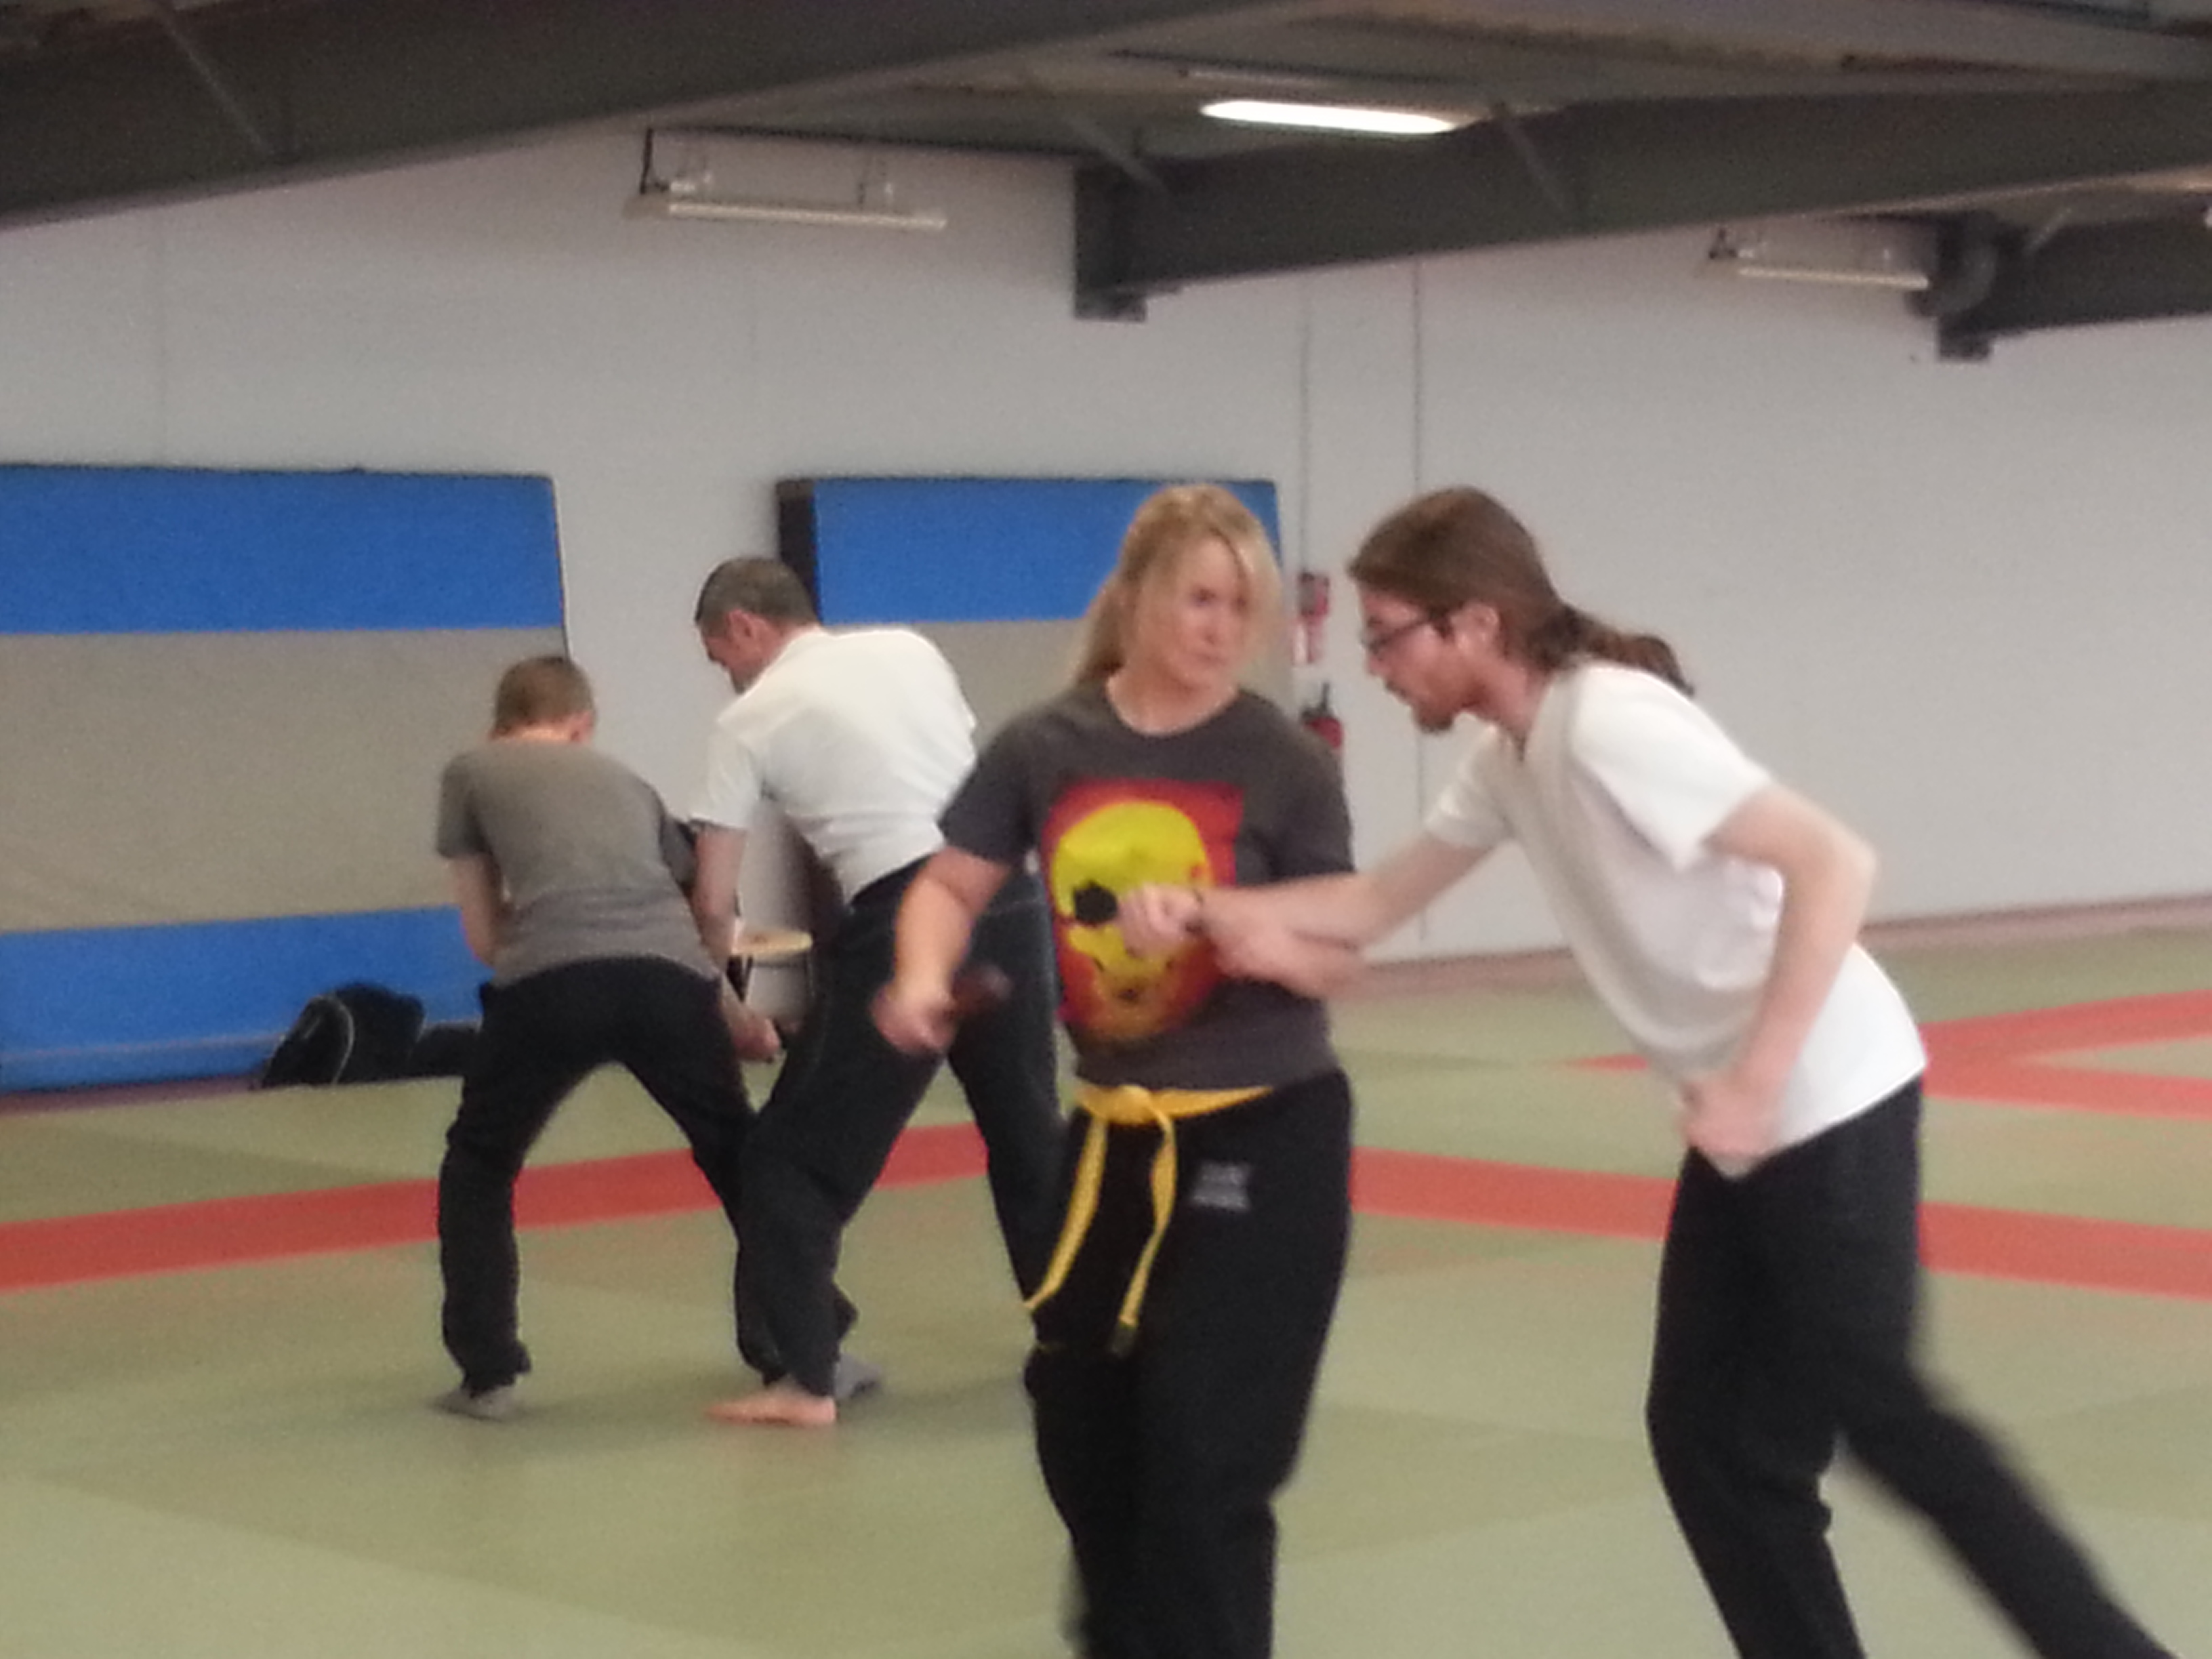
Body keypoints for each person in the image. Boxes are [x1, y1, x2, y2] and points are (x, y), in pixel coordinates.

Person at [1121, 485, 2181, 1659]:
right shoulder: (1510, 755)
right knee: (1708, 1440)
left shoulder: (1608, 722)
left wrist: (1756, 1079)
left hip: (1826, 1091)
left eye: (1387, 635)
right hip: (1744, 1121)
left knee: (1885, 1413)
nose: (1374, 665)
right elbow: (1374, 903)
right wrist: (1205, 908)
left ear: (1474, 623)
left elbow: (1833, 861)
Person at [874, 484, 1360, 1659]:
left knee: (1204, 1446)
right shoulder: (1048, 744)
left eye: (1238, 607)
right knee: (1083, 1423)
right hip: (1113, 1132)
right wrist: (922, 974)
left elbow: (1335, 949)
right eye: (1198, 599)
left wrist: (1233, 927)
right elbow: (948, 884)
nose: (1219, 628)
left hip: (1264, 1128)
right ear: (1135, 596)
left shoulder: (1281, 760)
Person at [690, 556, 1064, 1427]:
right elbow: (962, 782)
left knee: (788, 1160)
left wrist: (720, 980)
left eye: (720, 656)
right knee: (1028, 1135)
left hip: (902, 917)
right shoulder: (909, 649)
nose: (726, 675)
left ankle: (805, 1379)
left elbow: (712, 897)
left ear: (744, 626)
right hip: (1007, 899)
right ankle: (1076, 1348)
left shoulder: (748, 719)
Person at [432, 655, 777, 1421]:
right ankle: (797, 1348)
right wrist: (737, 1019)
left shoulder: (470, 771)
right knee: (740, 1155)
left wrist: (542, 954)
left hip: (549, 984)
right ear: (582, 726)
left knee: (480, 1163)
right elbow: (695, 916)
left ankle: (489, 1374)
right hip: (670, 985)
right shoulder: (630, 783)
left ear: (499, 722)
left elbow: (483, 934)